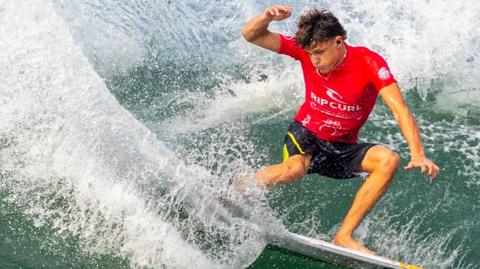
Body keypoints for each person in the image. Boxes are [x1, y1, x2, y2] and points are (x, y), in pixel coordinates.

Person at [241, 5, 440, 254]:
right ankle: (236, 191)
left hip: (342, 146)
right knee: (295, 169)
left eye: (321, 53)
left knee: (388, 160)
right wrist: (266, 17)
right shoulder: (307, 51)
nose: (315, 60)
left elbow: (399, 109)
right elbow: (252, 35)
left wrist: (418, 153)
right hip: (307, 134)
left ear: (339, 41)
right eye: (311, 54)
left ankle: (344, 236)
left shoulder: (369, 63)